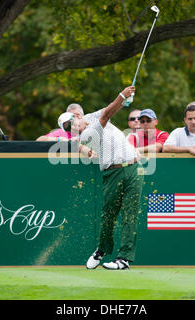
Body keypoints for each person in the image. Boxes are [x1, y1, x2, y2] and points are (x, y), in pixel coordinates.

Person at [72, 86, 142, 270]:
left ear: (78, 117)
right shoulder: (86, 135)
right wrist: (122, 95)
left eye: (72, 122)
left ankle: (124, 259)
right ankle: (102, 249)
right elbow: (106, 116)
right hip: (112, 173)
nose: (73, 127)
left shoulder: (90, 117)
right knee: (109, 216)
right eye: (68, 128)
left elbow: (109, 109)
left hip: (134, 167)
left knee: (130, 215)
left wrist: (125, 100)